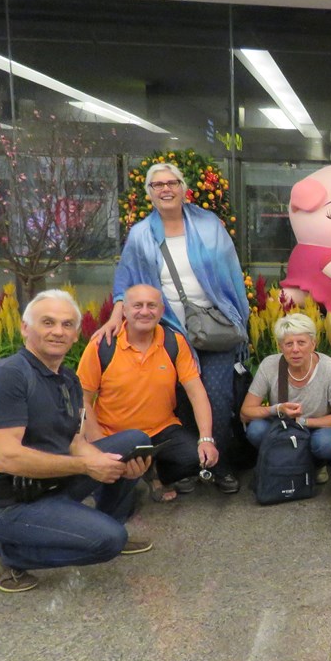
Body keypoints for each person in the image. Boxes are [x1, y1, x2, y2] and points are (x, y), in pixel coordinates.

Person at [0, 290, 153, 593]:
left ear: (76, 335)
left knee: (133, 443)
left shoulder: (67, 379)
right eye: (48, 322)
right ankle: (6, 552)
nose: (58, 332)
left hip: (50, 484)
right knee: (109, 541)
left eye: (67, 325)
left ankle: (91, 525)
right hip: (7, 503)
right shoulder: (8, 377)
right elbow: (6, 458)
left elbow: (76, 442)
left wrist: (111, 465)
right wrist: (87, 467)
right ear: (25, 328)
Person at [92, 162, 248, 494]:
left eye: (172, 182)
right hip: (170, 328)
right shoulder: (141, 234)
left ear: (183, 188)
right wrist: (116, 316)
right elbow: (126, 280)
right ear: (149, 193)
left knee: (218, 397)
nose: (166, 189)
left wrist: (238, 315)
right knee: (178, 399)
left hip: (214, 324)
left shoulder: (208, 224)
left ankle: (219, 464)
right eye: (158, 184)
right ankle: (189, 465)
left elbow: (231, 271)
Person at [76, 284, 217, 503]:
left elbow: (196, 392)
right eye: (137, 306)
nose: (144, 311)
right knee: (118, 504)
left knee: (195, 458)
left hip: (161, 430)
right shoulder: (102, 345)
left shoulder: (174, 342)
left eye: (151, 306)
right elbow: (82, 399)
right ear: (124, 310)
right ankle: (131, 475)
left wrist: (206, 439)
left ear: (161, 311)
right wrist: (99, 445)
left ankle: (155, 473)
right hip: (115, 434)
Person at [240, 313, 331, 485]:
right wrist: (276, 409)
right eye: (289, 344)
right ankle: (282, 463)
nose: (295, 349)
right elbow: (245, 412)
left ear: (313, 344)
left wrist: (303, 422)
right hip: (282, 425)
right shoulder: (269, 365)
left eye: (301, 342)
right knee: (256, 430)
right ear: (280, 347)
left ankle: (316, 465)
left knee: (326, 443)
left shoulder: (328, 367)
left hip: (316, 426)